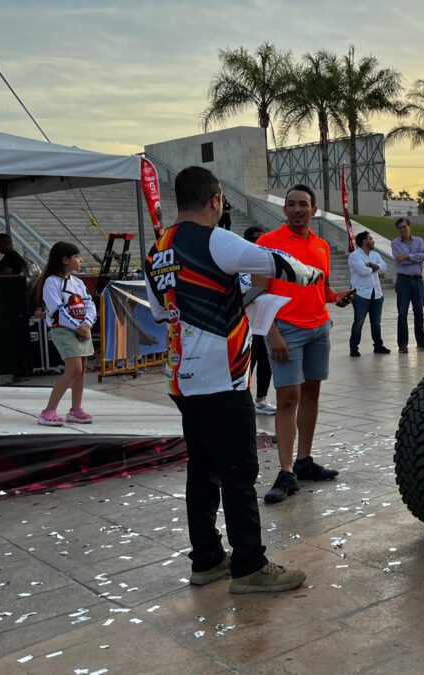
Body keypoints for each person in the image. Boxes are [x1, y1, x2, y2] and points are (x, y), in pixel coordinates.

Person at [144, 166, 323, 593]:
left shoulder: (157, 250)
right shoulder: (215, 239)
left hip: (181, 378)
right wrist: (310, 275)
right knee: (239, 472)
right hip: (221, 376)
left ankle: (206, 559)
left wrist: (233, 300)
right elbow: (279, 264)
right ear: (215, 200)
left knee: (202, 469)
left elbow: (158, 313)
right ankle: (249, 566)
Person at [256, 185, 344, 504]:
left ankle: (304, 461)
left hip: (318, 328)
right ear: (284, 210)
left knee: (311, 393)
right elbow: (258, 293)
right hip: (286, 330)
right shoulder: (267, 243)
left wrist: (336, 297)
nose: (297, 210)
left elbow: (324, 287)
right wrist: (273, 333)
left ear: (314, 210)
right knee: (286, 399)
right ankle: (286, 470)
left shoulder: (321, 246)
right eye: (291, 204)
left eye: (303, 205)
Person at [36, 242, 96, 426]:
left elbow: (89, 304)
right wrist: (78, 326)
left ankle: (76, 410)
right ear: (64, 260)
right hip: (63, 330)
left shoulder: (77, 282)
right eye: (77, 256)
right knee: (74, 369)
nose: (80, 260)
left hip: (82, 330)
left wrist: (87, 324)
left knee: (82, 369)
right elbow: (57, 311)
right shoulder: (51, 282)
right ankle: (48, 411)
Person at [241, 226, 275, 415]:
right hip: (244, 324)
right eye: (254, 240)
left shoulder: (266, 263)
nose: (257, 245)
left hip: (265, 321)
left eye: (260, 241)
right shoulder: (237, 263)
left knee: (266, 361)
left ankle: (261, 399)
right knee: (248, 362)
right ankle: (243, 400)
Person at [390, 217, 424, 353]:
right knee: (402, 313)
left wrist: (407, 257)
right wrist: (415, 257)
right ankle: (402, 345)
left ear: (409, 227)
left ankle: (421, 342)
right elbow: (399, 260)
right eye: (400, 228)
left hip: (417, 281)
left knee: (419, 312)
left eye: (404, 226)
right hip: (403, 281)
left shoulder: (419, 241)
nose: (403, 229)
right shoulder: (395, 243)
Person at [348, 230, 389, 357]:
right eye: (371, 238)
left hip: (376, 293)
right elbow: (362, 271)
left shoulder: (375, 254)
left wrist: (371, 265)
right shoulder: (354, 256)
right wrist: (375, 267)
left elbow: (385, 267)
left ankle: (378, 346)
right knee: (359, 321)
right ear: (364, 241)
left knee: (376, 323)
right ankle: (354, 348)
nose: (373, 241)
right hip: (361, 294)